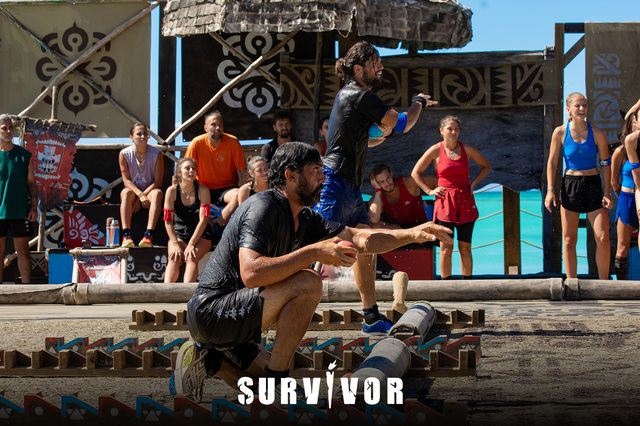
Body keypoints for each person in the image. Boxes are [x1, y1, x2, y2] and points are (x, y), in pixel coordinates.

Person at [170, 142, 453, 400]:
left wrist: (414, 234)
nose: (323, 178)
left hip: (234, 323)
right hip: (212, 313)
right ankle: (276, 380)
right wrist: (314, 252)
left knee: (276, 390)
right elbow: (251, 273)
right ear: (291, 176)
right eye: (316, 170)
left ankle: (210, 361)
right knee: (307, 282)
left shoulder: (304, 217)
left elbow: (360, 239)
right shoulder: (264, 207)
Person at [314, 40, 437, 334]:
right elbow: (404, 123)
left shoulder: (352, 96)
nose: (381, 66)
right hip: (333, 184)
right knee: (312, 247)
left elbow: (365, 139)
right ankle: (270, 306)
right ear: (358, 68)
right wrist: (418, 101)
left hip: (349, 187)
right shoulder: (359, 95)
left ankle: (370, 317)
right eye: (375, 61)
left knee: (365, 251)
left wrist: (377, 135)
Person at [411, 115, 491, 279]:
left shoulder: (467, 149)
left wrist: (474, 184)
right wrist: (429, 191)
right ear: (441, 131)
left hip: (465, 200)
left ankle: (467, 285)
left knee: (465, 247)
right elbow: (415, 173)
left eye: (456, 129)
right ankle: (445, 286)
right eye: (450, 129)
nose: (453, 132)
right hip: (445, 202)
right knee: (446, 248)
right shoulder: (435, 150)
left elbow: (486, 166)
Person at [545, 92, 612, 280]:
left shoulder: (597, 133)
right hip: (570, 186)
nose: (582, 109)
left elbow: (606, 163)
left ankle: (604, 284)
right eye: (577, 106)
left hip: (593, 185)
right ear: (568, 109)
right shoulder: (560, 132)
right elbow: (552, 162)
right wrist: (550, 190)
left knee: (603, 237)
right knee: (569, 240)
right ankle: (572, 284)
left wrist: (607, 192)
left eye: (584, 105)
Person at [185, 111, 248, 240]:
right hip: (203, 188)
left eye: (220, 124)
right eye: (213, 125)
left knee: (239, 194)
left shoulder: (233, 141)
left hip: (227, 188)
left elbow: (243, 171)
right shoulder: (197, 143)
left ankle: (217, 227)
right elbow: (187, 168)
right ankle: (208, 229)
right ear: (206, 128)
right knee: (191, 196)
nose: (218, 128)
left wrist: (247, 189)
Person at [0, 114, 38, 283]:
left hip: (20, 210)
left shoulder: (24, 155)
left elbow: (31, 183)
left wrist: (34, 206)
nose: (9, 131)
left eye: (11, 128)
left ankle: (27, 289)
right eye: (4, 128)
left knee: (23, 250)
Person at [164, 158, 213, 283]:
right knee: (174, 258)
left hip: (200, 234)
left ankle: (188, 294)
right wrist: (175, 244)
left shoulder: (203, 190)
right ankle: (165, 292)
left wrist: (191, 244)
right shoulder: (172, 191)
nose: (191, 171)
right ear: (179, 172)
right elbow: (168, 221)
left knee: (191, 257)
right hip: (179, 232)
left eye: (193, 169)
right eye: (187, 168)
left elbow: (203, 220)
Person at [119, 123, 164, 247]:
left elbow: (158, 182)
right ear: (131, 137)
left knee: (158, 194)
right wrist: (139, 195)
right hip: (134, 192)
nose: (143, 136)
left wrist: (142, 196)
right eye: (139, 134)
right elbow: (126, 181)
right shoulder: (124, 154)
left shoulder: (157, 154)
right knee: (126, 193)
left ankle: (148, 235)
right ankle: (126, 235)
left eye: (145, 134)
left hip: (149, 191)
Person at [611, 109, 640, 280]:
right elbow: (614, 181)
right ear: (632, 123)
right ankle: (620, 286)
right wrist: (622, 198)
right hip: (627, 200)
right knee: (622, 247)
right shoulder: (621, 151)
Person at [368, 163, 433, 229]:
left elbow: (434, 181)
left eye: (388, 178)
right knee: (374, 226)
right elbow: (373, 220)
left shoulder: (408, 182)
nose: (387, 183)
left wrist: (432, 191)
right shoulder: (376, 199)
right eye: (382, 182)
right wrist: (378, 190)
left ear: (391, 174)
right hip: (397, 230)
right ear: (376, 184)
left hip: (419, 227)